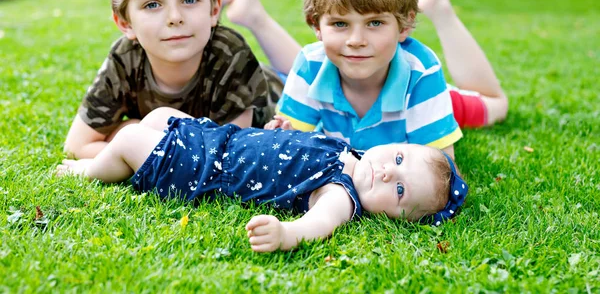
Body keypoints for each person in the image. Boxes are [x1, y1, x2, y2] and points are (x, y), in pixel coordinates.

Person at [56, 107, 468, 253]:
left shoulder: (341, 195)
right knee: (161, 116)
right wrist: (277, 133)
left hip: (207, 170)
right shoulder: (353, 152)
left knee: (129, 137)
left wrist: (285, 234)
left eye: (399, 190)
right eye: (398, 157)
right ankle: (126, 161)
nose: (388, 171)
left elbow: (316, 224)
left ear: (394, 216)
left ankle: (90, 170)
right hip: (222, 139)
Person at [63, 0, 300, 160]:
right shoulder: (125, 60)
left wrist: (137, 141)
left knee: (317, 72)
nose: (174, 17)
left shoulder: (229, 53)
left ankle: (250, 12)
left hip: (281, 86)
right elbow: (77, 147)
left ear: (214, 10)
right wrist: (137, 138)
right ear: (126, 24)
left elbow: (227, 159)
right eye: (152, 4)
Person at [266, 0, 508, 156]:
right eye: (340, 23)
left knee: (497, 106)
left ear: (404, 26)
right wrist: (282, 135)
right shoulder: (311, 64)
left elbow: (442, 169)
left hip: (423, 101)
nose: (356, 40)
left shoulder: (422, 74)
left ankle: (438, 6)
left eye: (375, 22)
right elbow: (287, 151)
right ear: (316, 25)